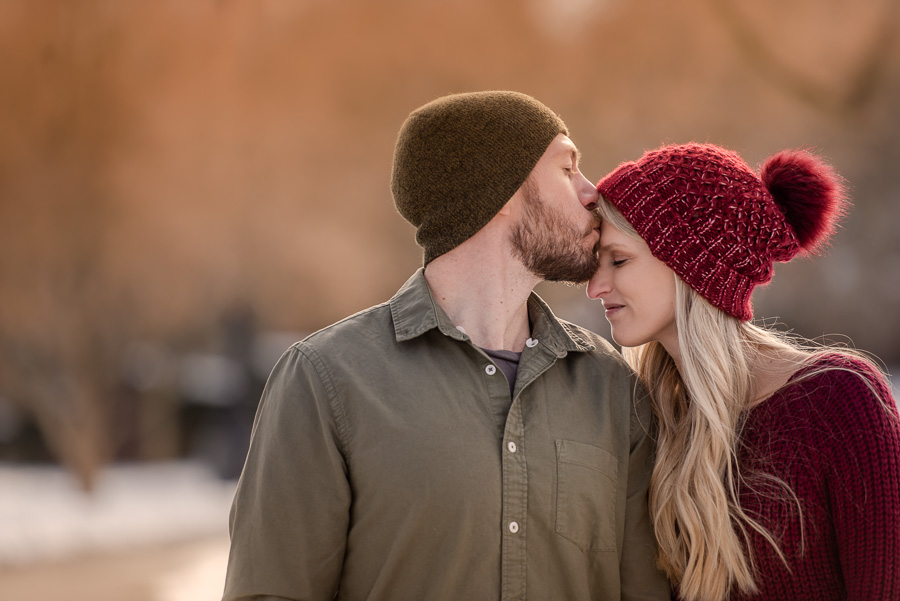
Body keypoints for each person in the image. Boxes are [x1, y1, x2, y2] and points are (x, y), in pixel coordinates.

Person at [222, 91, 671, 601]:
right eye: (568, 169)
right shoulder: (325, 383)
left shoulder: (613, 388)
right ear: (501, 191)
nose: (593, 193)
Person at [587, 142, 900, 601]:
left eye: (618, 259)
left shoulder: (841, 401)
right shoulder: (652, 422)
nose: (595, 286)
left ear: (690, 264)